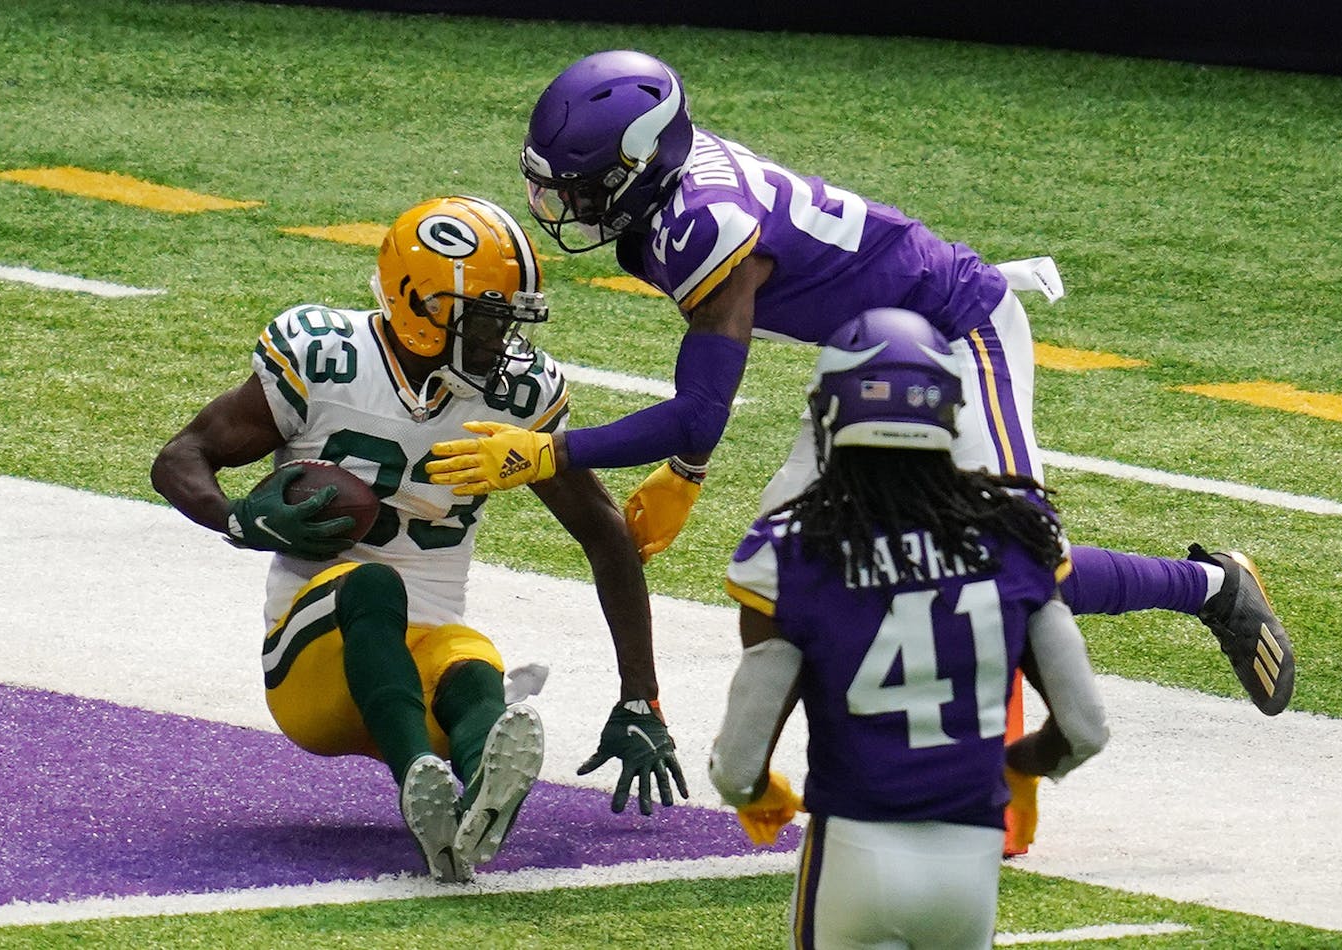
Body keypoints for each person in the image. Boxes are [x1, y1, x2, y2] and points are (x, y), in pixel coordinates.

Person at [424, 49, 1293, 730]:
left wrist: (552, 450)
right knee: (771, 565)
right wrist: (686, 475)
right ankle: (816, 758)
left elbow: (699, 406)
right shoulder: (673, 204)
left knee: (1030, 566)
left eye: (577, 188)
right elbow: (710, 383)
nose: (561, 206)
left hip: (957, 336)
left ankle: (1213, 588)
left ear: (642, 165)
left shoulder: (700, 222)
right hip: (864, 359)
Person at [151, 195, 687, 884]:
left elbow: (606, 536)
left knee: (471, 663)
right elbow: (181, 456)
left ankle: (476, 795)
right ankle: (418, 784)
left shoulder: (516, 395)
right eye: (488, 320)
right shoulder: (327, 358)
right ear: (419, 306)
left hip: (423, 663)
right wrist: (236, 518)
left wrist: (641, 697)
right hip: (313, 663)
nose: (503, 341)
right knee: (372, 585)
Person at [709, 308, 1109, 949]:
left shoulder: (790, 550)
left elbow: (737, 764)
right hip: (970, 864)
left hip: (853, 852)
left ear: (831, 416)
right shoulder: (1017, 533)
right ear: (949, 415)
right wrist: (1021, 764)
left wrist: (760, 792)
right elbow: (1085, 728)